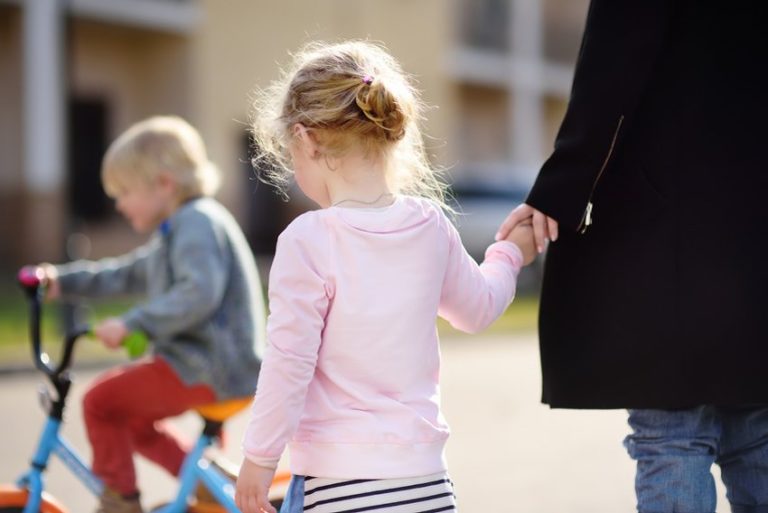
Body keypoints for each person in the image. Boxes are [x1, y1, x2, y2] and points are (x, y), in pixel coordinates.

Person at [234, 40, 536, 513]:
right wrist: (510, 253)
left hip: (338, 486)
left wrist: (259, 457)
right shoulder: (429, 223)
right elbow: (478, 310)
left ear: (307, 139)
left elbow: (288, 362)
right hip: (427, 485)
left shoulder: (309, 239)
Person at [496, 1, 768, 512]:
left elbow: (613, 65)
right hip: (754, 236)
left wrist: (559, 190)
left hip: (673, 230)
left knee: (674, 432)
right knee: (756, 432)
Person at [40, 116, 265, 513]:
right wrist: (60, 280)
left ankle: (119, 501)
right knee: (136, 421)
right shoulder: (177, 230)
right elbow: (125, 273)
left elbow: (198, 293)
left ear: (164, 183)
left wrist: (132, 323)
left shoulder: (196, 223)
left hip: (212, 367)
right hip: (212, 366)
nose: (119, 204)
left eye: (125, 192)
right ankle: (208, 484)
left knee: (101, 401)